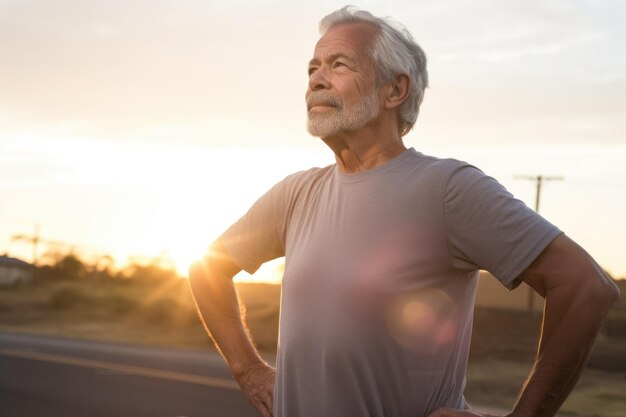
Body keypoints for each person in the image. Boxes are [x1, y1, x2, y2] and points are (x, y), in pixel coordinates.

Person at [188, 6, 620, 417]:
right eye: (312, 68)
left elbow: (585, 287)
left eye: (339, 65)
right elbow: (207, 268)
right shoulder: (296, 193)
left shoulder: (447, 188)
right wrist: (249, 369)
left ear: (395, 90)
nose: (317, 80)